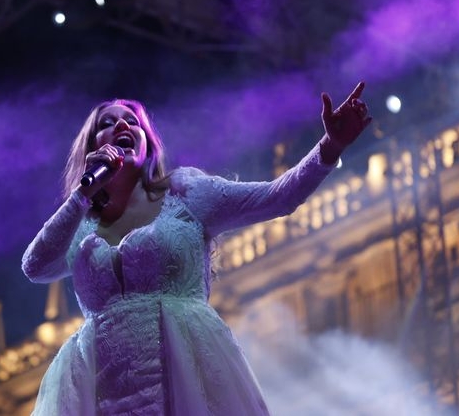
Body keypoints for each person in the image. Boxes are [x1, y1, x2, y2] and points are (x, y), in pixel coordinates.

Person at [22, 83, 372, 415]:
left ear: (149, 146)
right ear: (91, 147)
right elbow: (35, 266)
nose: (122, 126)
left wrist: (330, 146)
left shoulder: (185, 193)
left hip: (187, 376)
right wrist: (82, 195)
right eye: (106, 123)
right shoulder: (79, 225)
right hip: (103, 389)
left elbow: (279, 196)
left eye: (133, 121)